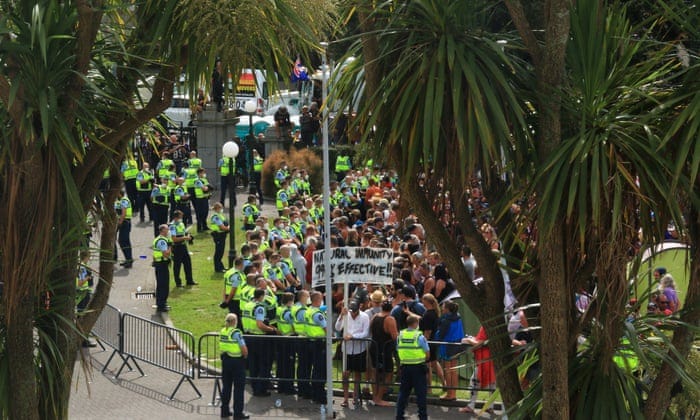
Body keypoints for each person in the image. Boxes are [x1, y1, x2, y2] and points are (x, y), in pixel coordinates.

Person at [459, 326, 526, 413]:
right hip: (492, 359)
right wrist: (519, 343)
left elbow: (480, 343)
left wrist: (468, 340)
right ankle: (490, 406)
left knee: (475, 382)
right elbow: (507, 340)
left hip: (486, 359)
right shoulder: (496, 327)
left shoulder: (487, 327)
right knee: (492, 383)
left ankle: (471, 406)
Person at [242, 288, 278, 397]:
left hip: (248, 336)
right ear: (262, 296)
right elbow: (260, 324)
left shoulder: (247, 305)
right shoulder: (259, 307)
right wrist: (272, 330)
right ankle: (261, 389)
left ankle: (255, 388)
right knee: (263, 363)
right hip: (259, 338)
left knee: (253, 364)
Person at [334, 299, 370, 408]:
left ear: (359, 308)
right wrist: (341, 316)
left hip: (359, 349)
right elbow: (337, 327)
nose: (353, 313)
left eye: (355, 311)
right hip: (347, 349)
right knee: (345, 374)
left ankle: (355, 396)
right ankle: (345, 398)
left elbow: (365, 333)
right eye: (351, 311)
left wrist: (353, 337)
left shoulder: (364, 316)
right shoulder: (346, 314)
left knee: (357, 373)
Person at [395, 315, 430, 420]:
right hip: (418, 368)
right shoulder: (419, 336)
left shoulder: (400, 335)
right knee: (421, 394)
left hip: (405, 367)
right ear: (415, 323)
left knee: (403, 393)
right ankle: (422, 417)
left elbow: (398, 349)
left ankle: (399, 415)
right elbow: (427, 353)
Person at [219, 313, 249, 419]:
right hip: (237, 362)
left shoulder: (223, 331)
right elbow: (243, 348)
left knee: (226, 387)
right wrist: (245, 356)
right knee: (238, 388)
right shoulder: (236, 332)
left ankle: (224, 411)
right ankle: (238, 414)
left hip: (225, 360)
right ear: (235, 322)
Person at [368, 300, 398, 407]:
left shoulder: (375, 316)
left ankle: (375, 396)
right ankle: (378, 398)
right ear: (391, 309)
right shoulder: (390, 319)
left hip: (374, 347)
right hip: (384, 350)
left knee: (375, 372)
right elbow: (395, 336)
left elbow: (370, 330)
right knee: (388, 373)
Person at [435, 300, 463, 401]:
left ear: (446, 309)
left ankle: (449, 394)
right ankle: (453, 394)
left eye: (443, 307)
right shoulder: (458, 317)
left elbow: (440, 335)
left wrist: (435, 338)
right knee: (454, 371)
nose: (442, 308)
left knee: (447, 370)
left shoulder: (446, 320)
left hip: (447, 346)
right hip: (457, 345)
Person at [305, 290, 328, 404]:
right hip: (319, 343)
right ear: (317, 300)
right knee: (320, 370)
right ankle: (320, 396)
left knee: (315, 369)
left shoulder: (308, 311)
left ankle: (315, 394)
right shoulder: (318, 314)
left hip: (311, 342)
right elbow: (326, 329)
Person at [420, 293, 446, 391]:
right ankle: (444, 383)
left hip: (428, 342)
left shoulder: (427, 315)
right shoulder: (435, 313)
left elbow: (427, 331)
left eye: (423, 300)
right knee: (434, 363)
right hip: (434, 341)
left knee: (428, 365)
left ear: (427, 302)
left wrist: (424, 343)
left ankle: (429, 387)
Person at [169, 210, 196, 287]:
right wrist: (185, 237)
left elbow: (184, 233)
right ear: (177, 217)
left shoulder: (181, 224)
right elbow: (174, 239)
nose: (182, 218)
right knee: (177, 266)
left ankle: (189, 280)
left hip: (183, 246)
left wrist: (189, 236)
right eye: (181, 216)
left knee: (188, 263)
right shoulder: (172, 226)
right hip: (177, 247)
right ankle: (178, 283)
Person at [153, 224, 173, 312]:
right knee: (163, 285)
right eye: (167, 230)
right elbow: (166, 253)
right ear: (162, 231)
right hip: (161, 264)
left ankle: (162, 303)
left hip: (160, 264)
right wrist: (170, 246)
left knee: (162, 284)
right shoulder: (161, 241)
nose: (168, 231)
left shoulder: (160, 239)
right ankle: (161, 305)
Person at [208, 202, 229, 273]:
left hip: (221, 235)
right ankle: (218, 268)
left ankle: (221, 266)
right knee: (218, 251)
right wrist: (229, 228)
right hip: (218, 235)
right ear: (217, 208)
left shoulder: (220, 215)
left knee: (221, 251)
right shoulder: (216, 217)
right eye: (221, 208)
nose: (221, 209)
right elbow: (222, 227)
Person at [114, 190, 133, 268]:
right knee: (124, 241)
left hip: (125, 222)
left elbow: (124, 213)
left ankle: (129, 260)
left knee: (123, 241)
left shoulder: (124, 200)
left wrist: (119, 223)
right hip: (122, 222)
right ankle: (128, 259)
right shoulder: (119, 200)